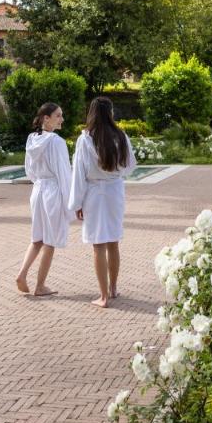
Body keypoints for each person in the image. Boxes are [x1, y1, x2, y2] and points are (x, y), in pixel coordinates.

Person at [69, 96, 136, 308]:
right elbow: (130, 166)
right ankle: (113, 288)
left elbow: (78, 173)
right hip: (115, 191)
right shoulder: (121, 136)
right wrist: (115, 174)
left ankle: (103, 296)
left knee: (98, 245)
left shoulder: (85, 139)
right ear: (110, 112)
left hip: (94, 193)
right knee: (113, 242)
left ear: (92, 113)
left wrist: (77, 203)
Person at [16, 102, 72, 297]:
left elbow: (29, 170)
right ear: (46, 118)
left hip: (38, 189)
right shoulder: (56, 142)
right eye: (58, 115)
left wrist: (40, 182)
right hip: (53, 191)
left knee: (37, 237)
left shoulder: (32, 139)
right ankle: (40, 286)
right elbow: (64, 173)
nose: (62, 119)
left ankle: (22, 274)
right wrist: (70, 201)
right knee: (50, 240)